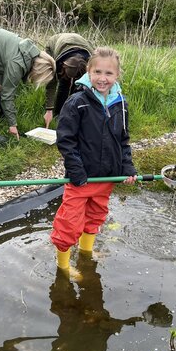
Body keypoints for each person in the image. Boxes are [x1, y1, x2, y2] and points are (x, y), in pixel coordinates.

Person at [50, 47, 137, 275]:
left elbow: (123, 140)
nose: (102, 78)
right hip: (81, 177)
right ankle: (64, 265)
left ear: (117, 75)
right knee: (69, 222)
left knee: (96, 215)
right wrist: (76, 171)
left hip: (107, 176)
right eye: (97, 71)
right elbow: (66, 141)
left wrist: (126, 167)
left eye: (109, 73)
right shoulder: (76, 102)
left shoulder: (121, 103)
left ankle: (86, 252)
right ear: (88, 71)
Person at [43, 32, 94, 128]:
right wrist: (49, 110)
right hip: (56, 43)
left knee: (78, 86)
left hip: (81, 44)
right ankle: (58, 115)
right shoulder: (58, 62)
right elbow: (51, 83)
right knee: (64, 83)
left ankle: (72, 113)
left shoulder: (91, 60)